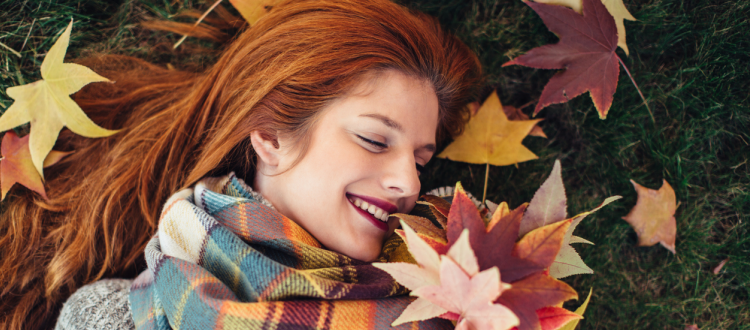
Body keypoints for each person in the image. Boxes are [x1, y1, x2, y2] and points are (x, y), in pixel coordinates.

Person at [0, 0, 481, 329]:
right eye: (375, 140)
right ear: (270, 136)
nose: (409, 182)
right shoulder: (113, 314)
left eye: (421, 159)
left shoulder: (471, 306)